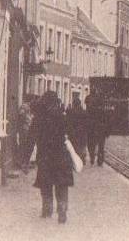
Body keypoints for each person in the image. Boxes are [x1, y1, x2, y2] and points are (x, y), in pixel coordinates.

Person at [31, 91, 74, 223]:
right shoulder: (63, 117)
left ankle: (47, 210)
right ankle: (62, 211)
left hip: (45, 157)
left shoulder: (39, 119)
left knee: (46, 184)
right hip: (62, 157)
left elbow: (30, 139)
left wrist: (25, 158)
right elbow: (72, 135)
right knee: (62, 185)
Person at [85, 92, 107, 167]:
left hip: (92, 130)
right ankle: (99, 160)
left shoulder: (89, 112)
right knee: (101, 146)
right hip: (100, 130)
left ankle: (92, 157)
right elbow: (106, 122)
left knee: (91, 144)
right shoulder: (102, 111)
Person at [66, 95, 89, 166]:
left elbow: (67, 122)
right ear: (79, 104)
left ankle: (74, 160)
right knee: (82, 145)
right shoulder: (84, 112)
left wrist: (68, 131)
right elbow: (87, 123)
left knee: (74, 146)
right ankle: (82, 159)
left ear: (74, 104)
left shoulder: (70, 111)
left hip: (73, 132)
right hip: (82, 132)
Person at [16, 101, 35, 169]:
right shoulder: (24, 107)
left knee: (27, 146)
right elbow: (21, 116)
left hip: (27, 130)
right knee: (23, 146)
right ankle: (21, 162)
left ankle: (25, 162)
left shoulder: (28, 109)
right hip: (24, 130)